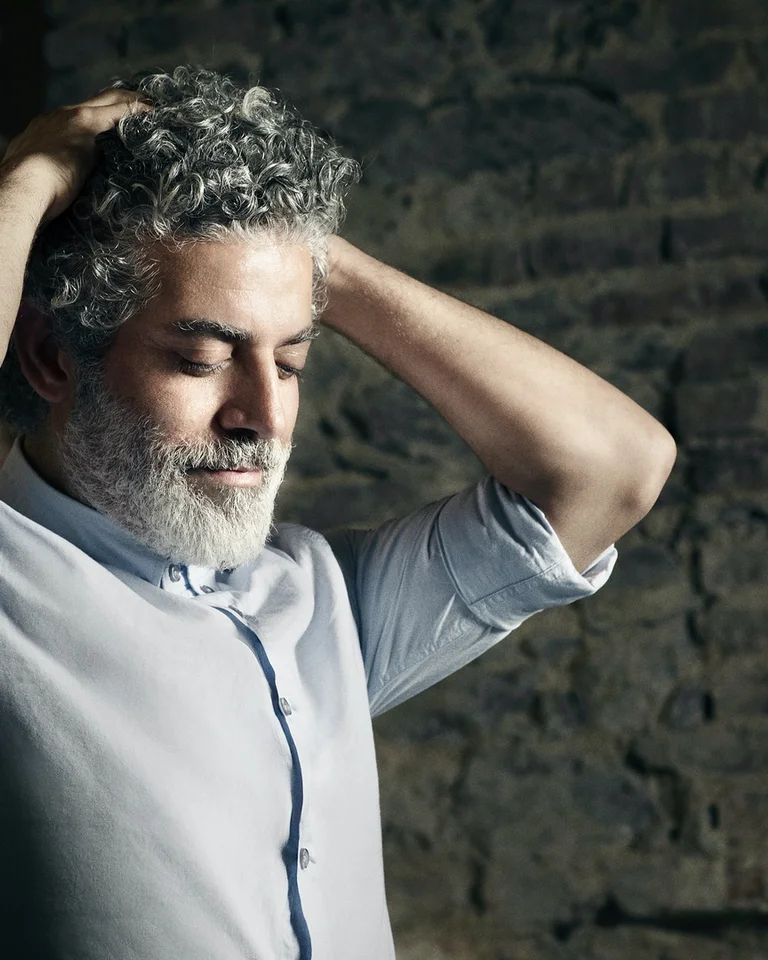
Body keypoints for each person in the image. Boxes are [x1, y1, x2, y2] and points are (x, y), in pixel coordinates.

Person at [0, 65, 674, 960]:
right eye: (203, 360)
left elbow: (609, 468)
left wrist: (300, 254)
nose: (264, 417)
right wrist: (28, 182)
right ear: (52, 358)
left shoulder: (328, 603)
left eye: (291, 363)